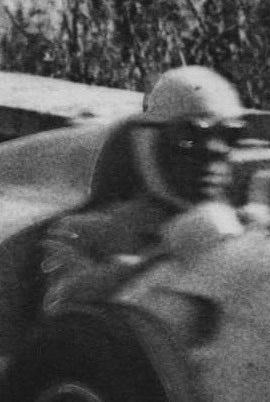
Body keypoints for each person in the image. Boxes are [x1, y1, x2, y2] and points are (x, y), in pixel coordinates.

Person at [38, 66, 258, 313]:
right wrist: (154, 260)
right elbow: (61, 305)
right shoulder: (82, 233)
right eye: (189, 138)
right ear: (151, 143)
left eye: (228, 136)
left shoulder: (249, 230)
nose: (212, 152)